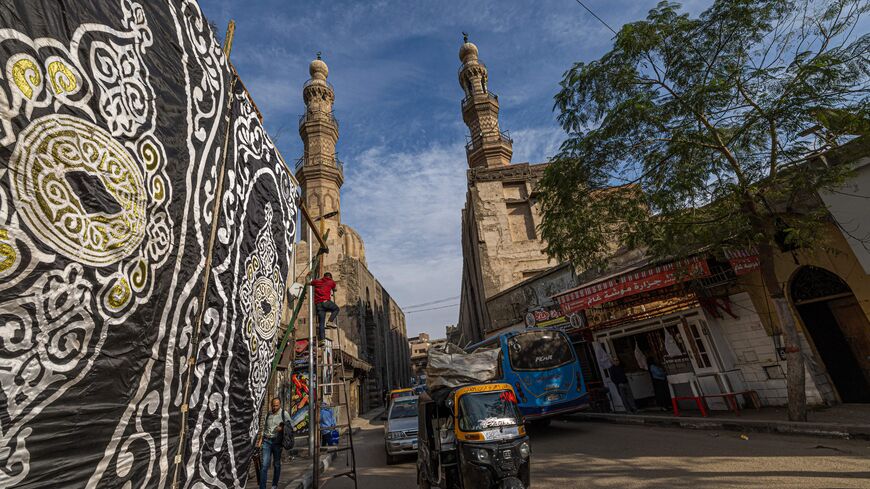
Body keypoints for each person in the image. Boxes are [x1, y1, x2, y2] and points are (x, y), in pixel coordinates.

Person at [259, 398, 291, 489]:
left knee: (276, 464)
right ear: (271, 405)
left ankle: (274, 485)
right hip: (267, 442)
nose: (274, 407)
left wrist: (282, 428)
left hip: (277, 442)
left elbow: (291, 426)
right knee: (264, 465)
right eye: (273, 405)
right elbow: (264, 429)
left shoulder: (284, 414)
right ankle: (262, 487)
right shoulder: (268, 414)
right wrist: (260, 442)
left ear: (280, 405)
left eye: (276, 405)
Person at [310, 272, 339, 342]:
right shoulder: (331, 282)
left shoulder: (317, 282)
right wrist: (332, 288)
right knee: (336, 309)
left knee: (321, 323)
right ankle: (330, 321)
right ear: (330, 277)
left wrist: (307, 276)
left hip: (318, 305)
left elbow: (308, 282)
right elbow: (335, 289)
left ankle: (322, 340)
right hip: (326, 302)